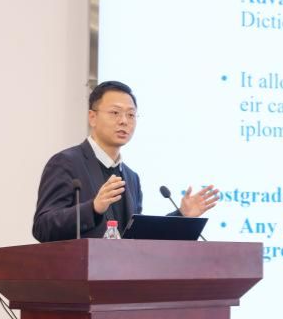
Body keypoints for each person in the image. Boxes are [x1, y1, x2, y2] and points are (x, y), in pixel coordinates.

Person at [31, 80, 220, 242]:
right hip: (79, 272)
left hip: (121, 273)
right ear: (92, 117)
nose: (124, 121)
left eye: (131, 114)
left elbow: (136, 237)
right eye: (115, 113)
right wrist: (93, 208)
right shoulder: (66, 163)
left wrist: (182, 216)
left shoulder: (131, 177)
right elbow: (42, 227)